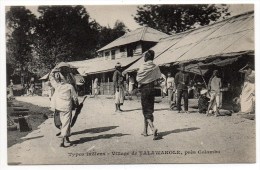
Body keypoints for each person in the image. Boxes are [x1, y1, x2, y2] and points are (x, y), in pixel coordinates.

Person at [49, 66, 79, 147]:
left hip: (59, 107)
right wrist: (77, 104)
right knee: (66, 123)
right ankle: (62, 141)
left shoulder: (57, 86)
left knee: (64, 123)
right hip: (67, 107)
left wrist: (53, 70)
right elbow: (75, 97)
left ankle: (67, 138)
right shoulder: (70, 86)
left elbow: (51, 78)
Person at [136, 50, 161, 140]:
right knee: (149, 110)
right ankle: (145, 131)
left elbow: (138, 78)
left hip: (144, 89)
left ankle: (152, 128)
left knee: (145, 110)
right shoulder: (155, 66)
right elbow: (158, 78)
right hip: (152, 89)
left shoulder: (143, 66)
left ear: (146, 57)